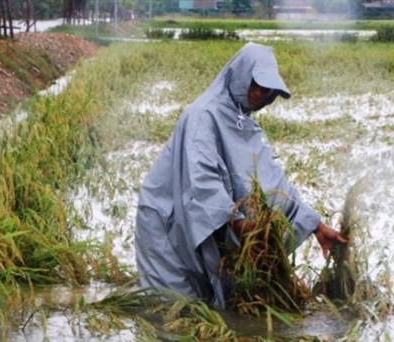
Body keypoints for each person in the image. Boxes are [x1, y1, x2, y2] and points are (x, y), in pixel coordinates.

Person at [135, 42, 347, 308]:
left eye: (267, 89)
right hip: (167, 221)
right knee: (170, 307)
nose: (260, 93)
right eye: (255, 84)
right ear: (239, 75)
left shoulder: (245, 124)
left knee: (207, 302)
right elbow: (202, 180)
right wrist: (237, 222)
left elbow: (272, 184)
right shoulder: (203, 115)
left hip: (201, 219)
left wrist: (315, 225)